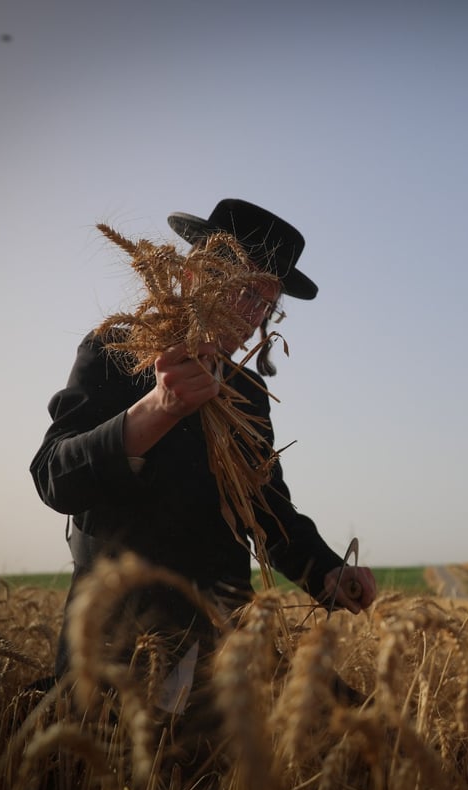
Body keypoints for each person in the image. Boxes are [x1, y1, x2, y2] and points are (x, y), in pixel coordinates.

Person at [30, 199, 378, 698]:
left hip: (225, 644)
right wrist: (159, 407)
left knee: (360, 732)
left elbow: (268, 511)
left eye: (265, 300)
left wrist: (327, 570)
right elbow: (54, 477)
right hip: (117, 649)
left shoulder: (249, 395)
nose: (251, 311)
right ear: (195, 276)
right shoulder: (114, 353)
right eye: (240, 289)